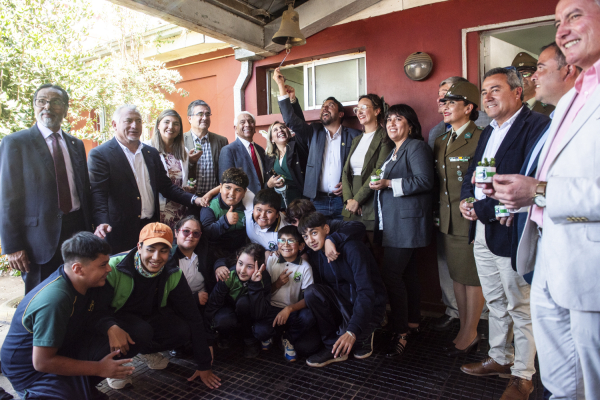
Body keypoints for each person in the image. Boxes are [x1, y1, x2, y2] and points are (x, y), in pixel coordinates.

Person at [491, 1, 600, 396]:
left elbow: (548, 186)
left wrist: (536, 191)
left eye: (574, 16)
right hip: (549, 256)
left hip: (591, 270)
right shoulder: (571, 101)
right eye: (558, 22)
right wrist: (522, 197)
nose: (562, 30)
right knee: (559, 385)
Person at [458, 67, 549, 399]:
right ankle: (499, 356)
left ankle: (524, 374)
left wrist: (480, 208)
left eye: (495, 89)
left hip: (512, 228)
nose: (488, 97)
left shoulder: (536, 126)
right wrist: (468, 199)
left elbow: (528, 182)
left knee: (519, 304)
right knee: (494, 299)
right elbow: (472, 171)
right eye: (484, 92)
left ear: (518, 92)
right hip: (482, 228)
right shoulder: (487, 130)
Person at [0, 232, 134, 399]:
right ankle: (41, 393)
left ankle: (79, 386)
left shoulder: (87, 281)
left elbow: (95, 315)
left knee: (132, 335)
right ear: (78, 268)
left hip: (63, 349)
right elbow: (42, 362)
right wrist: (99, 368)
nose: (109, 268)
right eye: (103, 265)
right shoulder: (55, 300)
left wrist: (111, 327)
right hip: (31, 373)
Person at [97, 222, 220, 390]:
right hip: (115, 320)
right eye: (150, 249)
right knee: (141, 331)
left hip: (147, 317)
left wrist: (204, 365)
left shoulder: (173, 273)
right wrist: (110, 326)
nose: (156, 257)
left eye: (163, 251)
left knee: (182, 330)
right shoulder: (114, 267)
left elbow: (193, 316)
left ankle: (146, 352)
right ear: (139, 247)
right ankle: (114, 365)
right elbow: (95, 308)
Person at [0, 83, 93, 294]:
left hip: (77, 230)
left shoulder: (75, 144)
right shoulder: (16, 143)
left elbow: (83, 190)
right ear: (34, 106)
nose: (47, 107)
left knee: (78, 293)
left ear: (66, 109)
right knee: (42, 299)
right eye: (41, 101)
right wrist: (13, 246)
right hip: (38, 240)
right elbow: (7, 197)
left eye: (55, 102)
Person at [88, 105, 205, 254]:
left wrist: (194, 199)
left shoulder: (150, 153)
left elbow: (167, 187)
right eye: (128, 121)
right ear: (114, 124)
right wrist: (101, 222)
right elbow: (99, 195)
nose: (134, 126)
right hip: (120, 231)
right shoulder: (100, 154)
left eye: (138, 121)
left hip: (150, 227)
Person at [427, 77, 490, 331]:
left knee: (471, 278)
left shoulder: (481, 138)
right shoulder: (442, 140)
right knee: (457, 278)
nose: (445, 106)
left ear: (469, 107)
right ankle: (465, 326)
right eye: (444, 102)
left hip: (470, 220)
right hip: (447, 220)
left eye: (452, 102)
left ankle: (470, 331)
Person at [370, 104, 433, 358]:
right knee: (408, 274)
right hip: (393, 222)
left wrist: (387, 183)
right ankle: (414, 321)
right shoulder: (393, 152)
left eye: (399, 119)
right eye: (389, 120)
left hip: (407, 224)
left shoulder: (415, 146)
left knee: (391, 275)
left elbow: (425, 180)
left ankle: (401, 331)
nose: (392, 123)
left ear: (410, 124)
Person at [299, 213, 386, 367]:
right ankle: (331, 347)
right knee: (312, 292)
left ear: (326, 229)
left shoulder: (353, 248)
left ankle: (368, 329)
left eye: (314, 233)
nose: (310, 240)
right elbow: (325, 293)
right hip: (344, 304)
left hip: (369, 305)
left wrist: (352, 330)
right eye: (305, 236)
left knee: (356, 343)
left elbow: (366, 292)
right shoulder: (315, 254)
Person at [274, 67, 361, 220]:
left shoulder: (354, 136)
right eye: (323, 106)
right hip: (316, 201)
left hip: (344, 201)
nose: (324, 108)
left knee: (343, 240)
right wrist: (282, 88)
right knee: (317, 241)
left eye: (330, 106)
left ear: (341, 114)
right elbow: (291, 121)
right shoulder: (313, 132)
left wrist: (349, 185)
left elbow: (362, 168)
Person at [253, 225, 320, 362]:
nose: (286, 245)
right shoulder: (272, 260)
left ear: (301, 246)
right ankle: (272, 334)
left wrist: (289, 309)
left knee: (309, 316)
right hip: (271, 308)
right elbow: (264, 292)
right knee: (260, 331)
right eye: (282, 241)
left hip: (292, 310)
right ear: (277, 244)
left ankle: (287, 337)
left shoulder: (305, 267)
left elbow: (308, 298)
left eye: (291, 241)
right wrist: (277, 283)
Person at [205, 243, 272, 359]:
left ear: (260, 267)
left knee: (244, 303)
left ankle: (249, 340)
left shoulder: (264, 279)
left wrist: (255, 285)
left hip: (250, 315)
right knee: (222, 320)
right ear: (237, 259)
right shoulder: (229, 275)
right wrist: (207, 338)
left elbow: (260, 314)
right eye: (240, 264)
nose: (242, 270)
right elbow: (213, 304)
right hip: (230, 311)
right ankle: (226, 336)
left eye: (250, 266)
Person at [342, 94, 393, 235]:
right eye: (357, 109)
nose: (359, 112)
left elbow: (379, 170)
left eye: (364, 107)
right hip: (350, 203)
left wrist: (358, 199)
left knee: (374, 251)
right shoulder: (356, 139)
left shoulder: (385, 137)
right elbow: (345, 172)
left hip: (371, 200)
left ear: (377, 111)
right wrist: (349, 200)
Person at [200, 168, 253, 281]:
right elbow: (206, 234)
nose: (231, 194)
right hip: (215, 255)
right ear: (220, 188)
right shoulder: (209, 206)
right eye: (227, 188)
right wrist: (225, 221)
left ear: (244, 193)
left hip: (240, 254)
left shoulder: (249, 205)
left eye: (237, 190)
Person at [147, 109, 192, 230]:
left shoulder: (184, 152)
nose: (171, 127)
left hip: (180, 209)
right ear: (158, 125)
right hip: (158, 210)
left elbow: (182, 179)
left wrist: (188, 188)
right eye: (166, 122)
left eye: (176, 124)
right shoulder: (147, 150)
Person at [183, 100, 228, 197]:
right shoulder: (180, 141)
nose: (205, 118)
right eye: (200, 114)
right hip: (188, 198)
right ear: (189, 118)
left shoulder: (221, 141)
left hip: (214, 199)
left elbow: (225, 172)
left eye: (207, 114)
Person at [218, 111, 266, 195]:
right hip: (242, 202)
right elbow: (226, 182)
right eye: (242, 122)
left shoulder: (261, 150)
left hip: (262, 201)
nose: (247, 125)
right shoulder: (228, 150)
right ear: (235, 128)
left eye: (250, 121)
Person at [263, 120, 308, 208]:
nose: (280, 130)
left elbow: (300, 125)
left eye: (282, 127)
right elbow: (266, 182)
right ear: (271, 139)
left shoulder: (297, 147)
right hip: (279, 201)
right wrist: (269, 184)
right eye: (275, 130)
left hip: (300, 200)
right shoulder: (269, 157)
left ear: (288, 132)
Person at [511, 53, 555, 117]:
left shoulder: (552, 107)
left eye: (526, 73)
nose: (521, 78)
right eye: (517, 75)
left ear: (536, 76)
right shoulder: (508, 109)